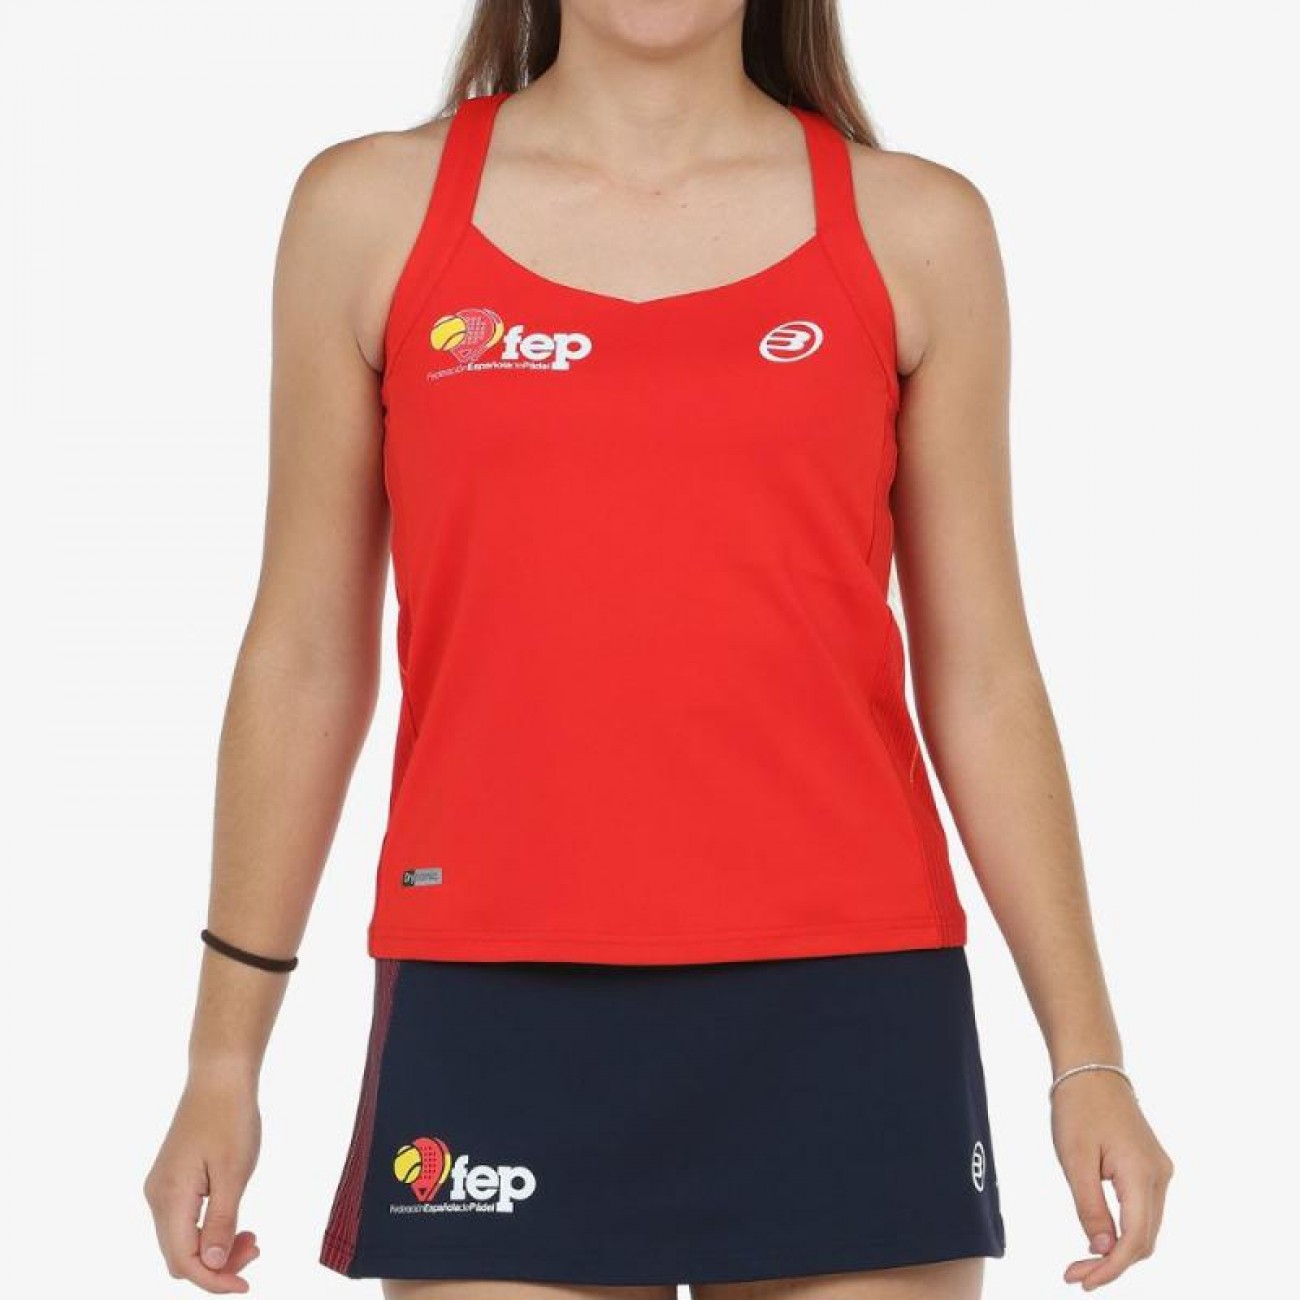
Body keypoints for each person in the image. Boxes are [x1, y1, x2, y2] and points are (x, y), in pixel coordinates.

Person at [143, 2, 1175, 1297]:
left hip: (848, 999)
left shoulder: (916, 228)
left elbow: (982, 676)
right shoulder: (371, 213)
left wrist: (1087, 1057)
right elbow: (303, 652)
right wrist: (223, 1062)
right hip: (496, 990)